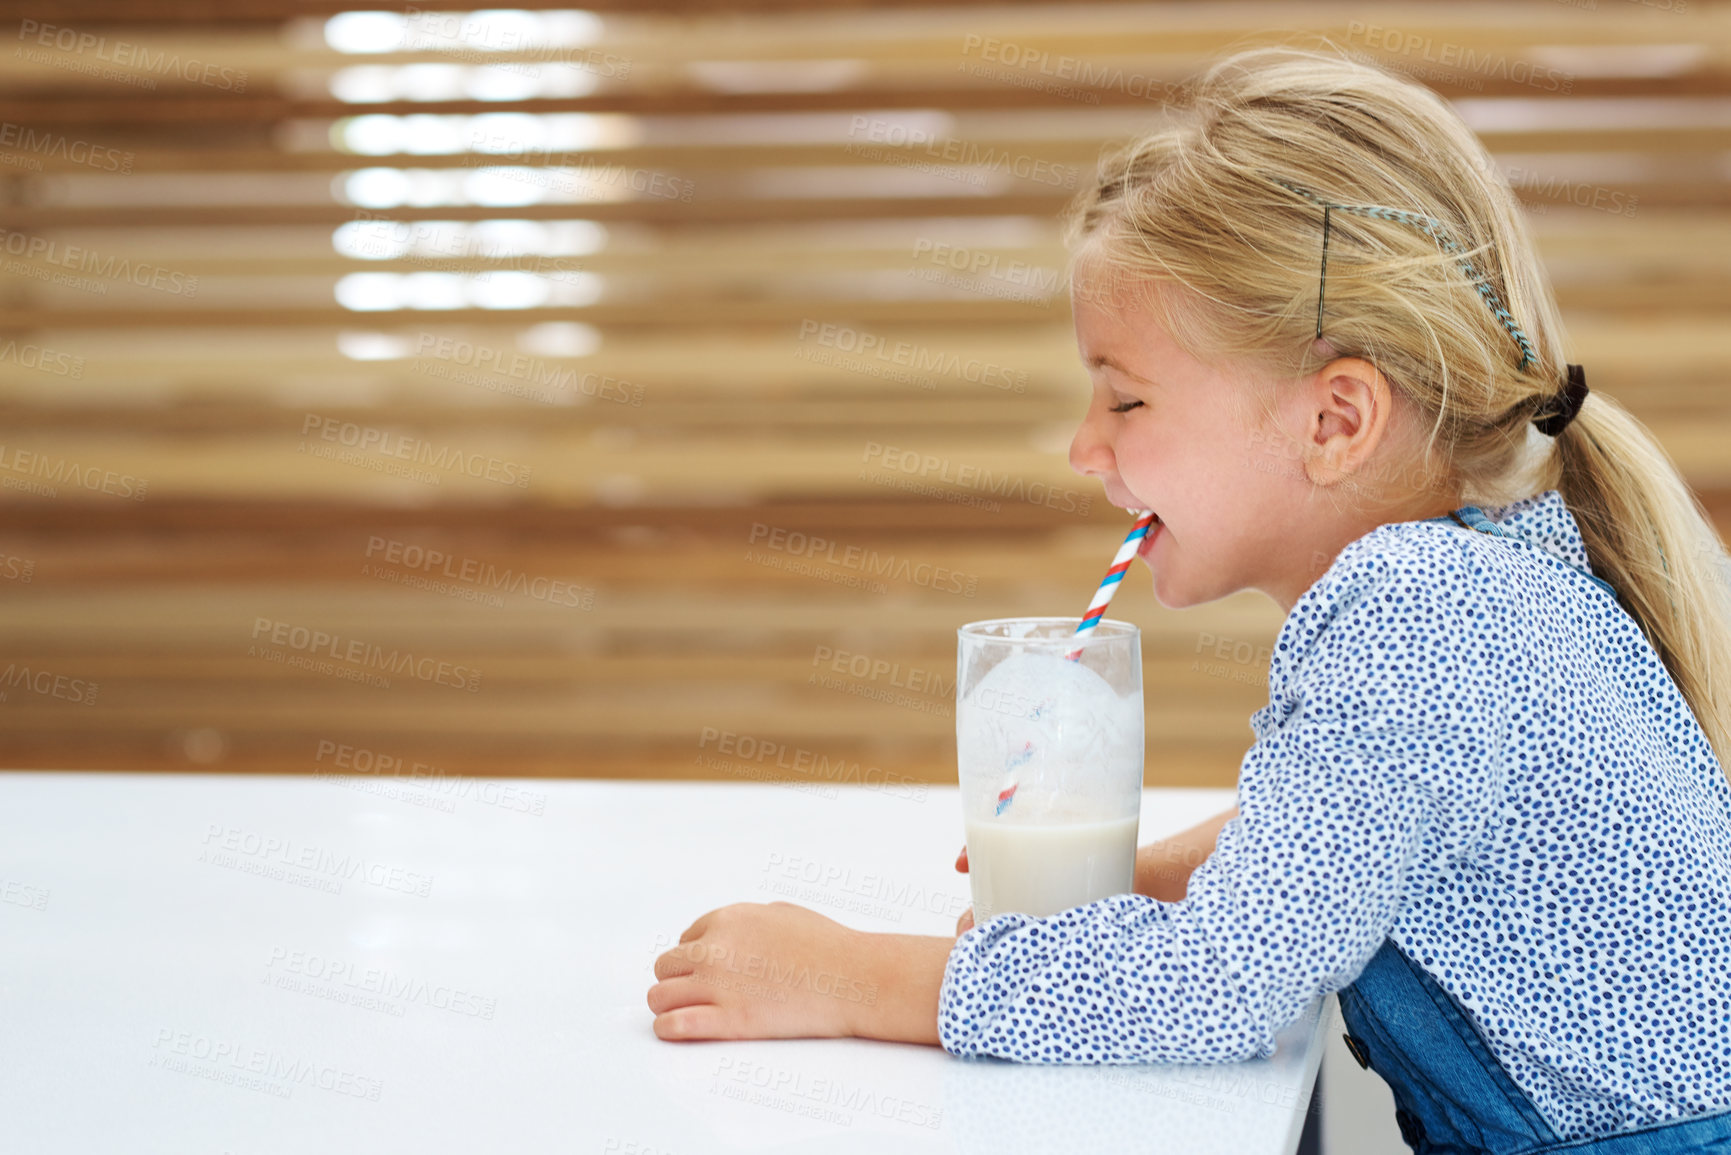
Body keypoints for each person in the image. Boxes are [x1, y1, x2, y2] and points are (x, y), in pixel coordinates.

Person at [647, 46, 1731, 1151]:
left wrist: (851, 977)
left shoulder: (1415, 609)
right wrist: (1152, 876)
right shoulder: (1503, 569)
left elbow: (1222, 988)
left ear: (1334, 422)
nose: (1083, 448)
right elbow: (1362, 819)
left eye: (1126, 397)